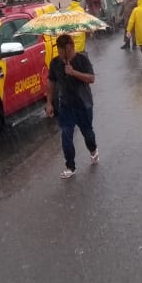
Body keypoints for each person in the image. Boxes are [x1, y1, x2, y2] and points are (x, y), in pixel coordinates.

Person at [45, 34, 98, 179]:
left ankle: (93, 150)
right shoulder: (55, 63)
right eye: (58, 49)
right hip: (66, 105)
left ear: (69, 47)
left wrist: (73, 72)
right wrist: (49, 102)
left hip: (83, 104)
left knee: (87, 133)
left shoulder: (82, 59)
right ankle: (70, 166)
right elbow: (51, 82)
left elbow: (91, 78)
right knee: (66, 134)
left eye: (61, 49)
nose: (59, 53)